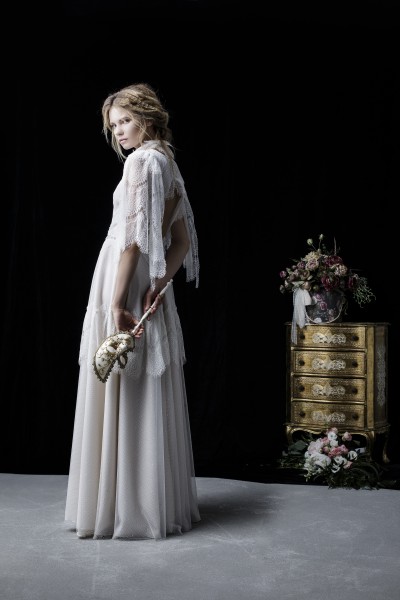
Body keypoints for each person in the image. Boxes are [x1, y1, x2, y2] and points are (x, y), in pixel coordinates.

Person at [65, 82, 200, 540]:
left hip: (122, 278)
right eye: (114, 125)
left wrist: (118, 301)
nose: (120, 131)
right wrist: (157, 287)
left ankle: (117, 508)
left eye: (126, 121)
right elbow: (180, 242)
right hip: (150, 283)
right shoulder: (169, 162)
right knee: (140, 380)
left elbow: (132, 242)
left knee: (119, 374)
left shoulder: (142, 161)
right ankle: (147, 504)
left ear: (147, 117)